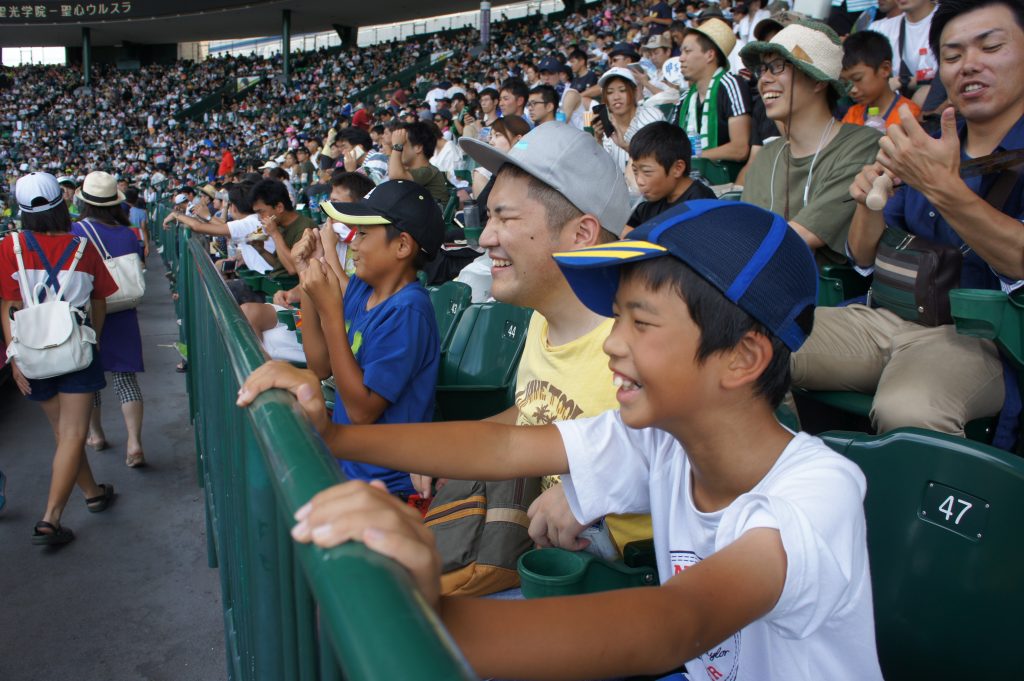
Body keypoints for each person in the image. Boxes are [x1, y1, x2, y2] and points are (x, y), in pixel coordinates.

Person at [238, 200, 883, 680]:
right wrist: (336, 434)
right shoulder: (663, 441)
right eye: (615, 318)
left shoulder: (816, 494)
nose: (611, 342)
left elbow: (675, 624)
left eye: (640, 322)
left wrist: (433, 619)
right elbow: (505, 448)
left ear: (742, 358)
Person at [792, 0, 1024, 443]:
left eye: (990, 46)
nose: (969, 65)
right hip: (884, 317)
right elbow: (862, 257)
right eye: (953, 56)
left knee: (908, 408)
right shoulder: (922, 143)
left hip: (981, 339)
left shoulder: (931, 159)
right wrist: (867, 200)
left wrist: (943, 189)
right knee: (753, 341)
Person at [292, 180, 443, 497]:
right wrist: (309, 275)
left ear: (402, 246)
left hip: (386, 483)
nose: (354, 245)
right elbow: (319, 366)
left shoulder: (408, 311)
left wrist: (332, 315)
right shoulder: (363, 287)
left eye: (363, 234)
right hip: (350, 464)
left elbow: (362, 412)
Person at [1, 172, 118, 546]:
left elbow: (8, 306)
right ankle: (50, 519)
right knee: (72, 434)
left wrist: (14, 356)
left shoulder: (10, 245)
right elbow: (99, 302)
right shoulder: (82, 245)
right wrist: (93, 340)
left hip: (32, 353)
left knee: (63, 433)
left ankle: (93, 494)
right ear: (61, 204)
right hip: (76, 350)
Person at [739, 21, 882, 266]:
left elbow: (801, 235)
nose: (764, 79)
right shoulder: (767, 156)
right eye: (762, 70)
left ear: (818, 81)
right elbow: (743, 236)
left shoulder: (862, 145)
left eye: (777, 67)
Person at [72, 171, 148, 468]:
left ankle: (96, 435)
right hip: (123, 310)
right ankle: (135, 442)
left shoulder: (74, 231)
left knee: (89, 381)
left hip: (87, 313)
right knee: (126, 379)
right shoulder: (127, 233)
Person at [675, 19, 753, 175]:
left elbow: (740, 148)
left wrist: (693, 158)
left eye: (687, 51)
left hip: (725, 182)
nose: (681, 58)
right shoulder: (685, 98)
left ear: (710, 55)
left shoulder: (731, 85)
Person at [626, 122, 717, 234]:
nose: (639, 181)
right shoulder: (650, 204)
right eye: (635, 171)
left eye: (647, 172)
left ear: (677, 168)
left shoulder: (701, 204)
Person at [841, 30, 921, 130]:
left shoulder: (909, 115)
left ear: (885, 69)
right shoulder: (852, 115)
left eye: (858, 79)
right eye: (845, 83)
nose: (852, 90)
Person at [593, 67, 665, 176]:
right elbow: (601, 171)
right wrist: (598, 140)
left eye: (622, 90)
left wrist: (626, 146)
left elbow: (661, 160)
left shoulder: (652, 117)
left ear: (635, 92)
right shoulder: (606, 127)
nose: (616, 97)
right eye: (610, 92)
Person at [387, 122, 450, 205]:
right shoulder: (410, 172)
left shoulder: (428, 171)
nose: (396, 150)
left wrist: (397, 146)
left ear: (418, 148)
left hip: (433, 216)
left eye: (402, 144)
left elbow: (395, 176)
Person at [470, 117, 531, 198]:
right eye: (491, 137)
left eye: (497, 135)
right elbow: (482, 208)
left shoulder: (532, 170)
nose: (491, 142)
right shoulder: (483, 173)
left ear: (518, 139)